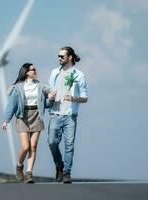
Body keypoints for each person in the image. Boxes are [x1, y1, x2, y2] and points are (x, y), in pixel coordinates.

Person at [2, 63, 53, 183]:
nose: (35, 71)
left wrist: (50, 99)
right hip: (22, 116)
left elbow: (46, 104)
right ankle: (19, 166)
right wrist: (6, 120)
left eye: (35, 69)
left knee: (33, 146)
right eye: (33, 70)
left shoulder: (41, 87)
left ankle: (29, 173)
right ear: (26, 72)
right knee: (25, 146)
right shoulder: (17, 88)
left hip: (36, 115)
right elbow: (12, 105)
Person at [48, 46, 88, 184]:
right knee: (52, 142)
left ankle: (67, 173)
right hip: (55, 113)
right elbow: (49, 91)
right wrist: (50, 97)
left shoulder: (79, 75)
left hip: (70, 115)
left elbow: (85, 97)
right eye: (58, 56)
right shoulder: (54, 73)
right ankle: (59, 165)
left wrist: (74, 98)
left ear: (70, 57)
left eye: (62, 56)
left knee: (69, 145)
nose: (59, 58)